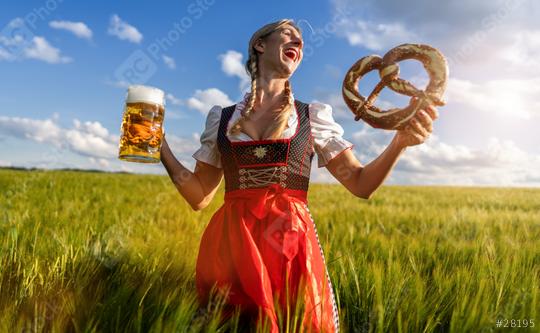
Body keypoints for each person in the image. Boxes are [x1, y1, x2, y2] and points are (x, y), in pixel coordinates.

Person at [159, 19, 438, 333]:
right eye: (289, 35)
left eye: (302, 41)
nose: (299, 43)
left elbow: (360, 184)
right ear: (260, 45)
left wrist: (399, 142)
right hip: (231, 248)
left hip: (290, 246)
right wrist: (161, 146)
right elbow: (199, 197)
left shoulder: (311, 117)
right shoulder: (221, 119)